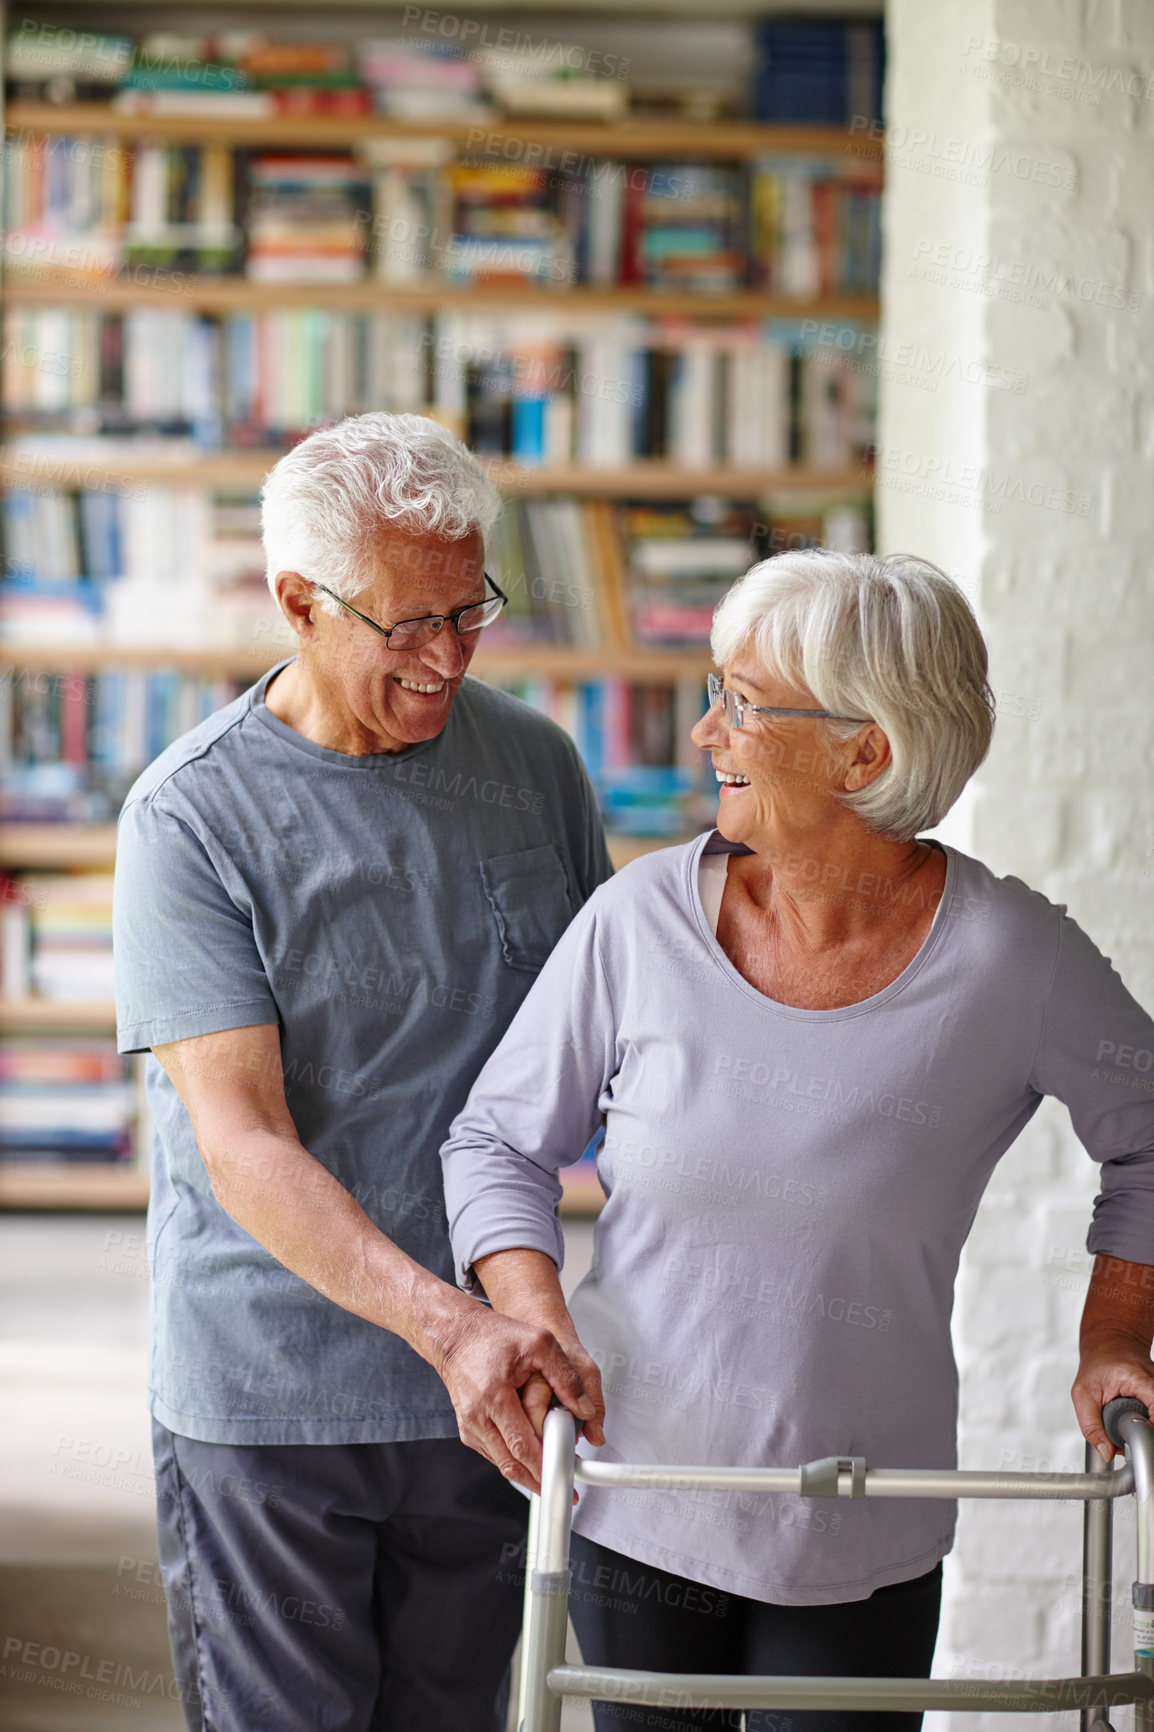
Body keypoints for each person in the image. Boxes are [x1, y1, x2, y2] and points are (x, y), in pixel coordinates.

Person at [441, 549, 1154, 1732]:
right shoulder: (637, 921)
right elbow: (497, 1141)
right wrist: (530, 1303)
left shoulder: (1008, 959)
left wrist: (1113, 1329)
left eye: (742, 702)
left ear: (862, 752)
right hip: (634, 1492)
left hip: (862, 1523)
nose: (705, 733)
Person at [112, 411, 611, 1732]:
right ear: (299, 602)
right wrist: (450, 1328)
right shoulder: (190, 818)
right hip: (278, 1398)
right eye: (408, 625)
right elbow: (244, 1138)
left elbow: (596, 1059)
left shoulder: (538, 767)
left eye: (471, 611)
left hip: (490, 1393)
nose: (448, 656)